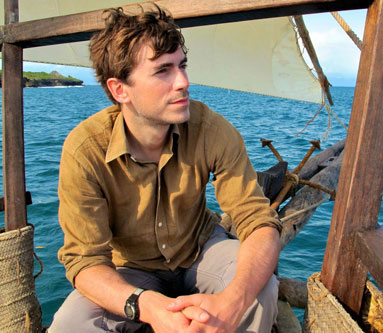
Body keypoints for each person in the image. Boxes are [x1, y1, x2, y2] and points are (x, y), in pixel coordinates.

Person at [49, 5, 281, 333]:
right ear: (120, 90)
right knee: (70, 325)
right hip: (130, 270)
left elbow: (258, 223)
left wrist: (233, 303)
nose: (183, 82)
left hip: (200, 250)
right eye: (163, 71)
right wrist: (145, 305)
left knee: (261, 291)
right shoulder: (85, 149)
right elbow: (85, 261)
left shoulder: (211, 129)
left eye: (182, 66)